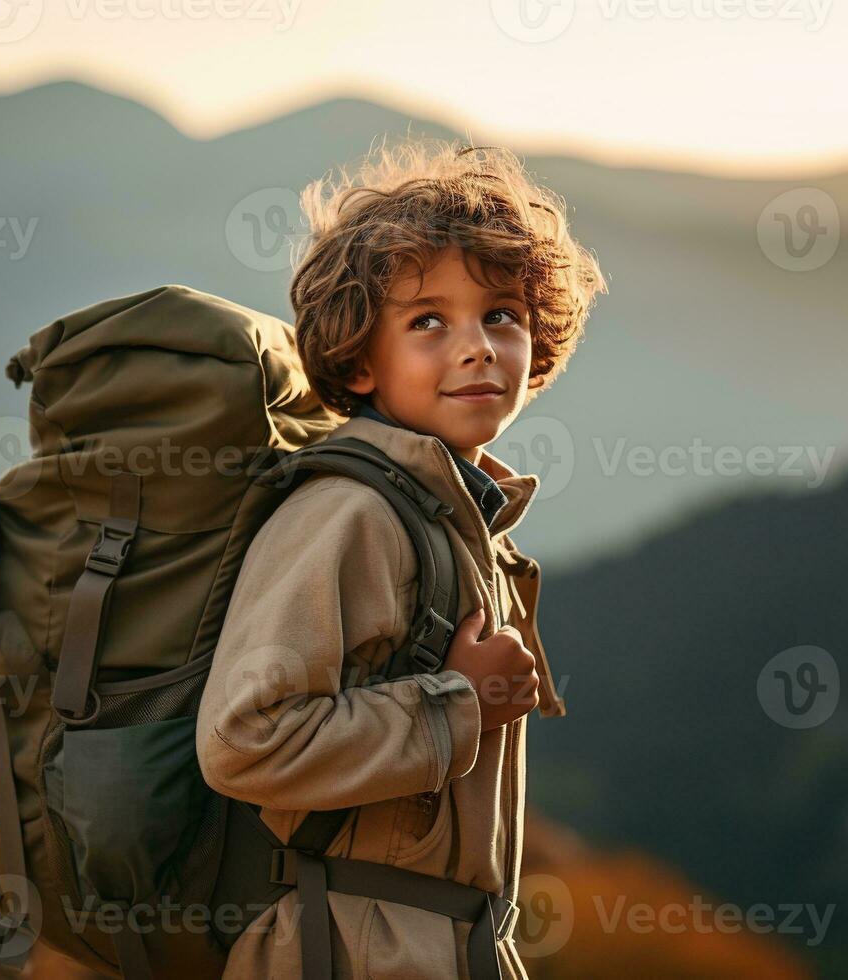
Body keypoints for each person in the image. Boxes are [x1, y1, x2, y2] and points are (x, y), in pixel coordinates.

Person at [196, 137, 604, 979]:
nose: (478, 346)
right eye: (428, 321)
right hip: (348, 949)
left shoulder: (454, 512)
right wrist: (461, 704)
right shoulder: (351, 514)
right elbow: (242, 741)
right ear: (357, 358)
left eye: (503, 315)